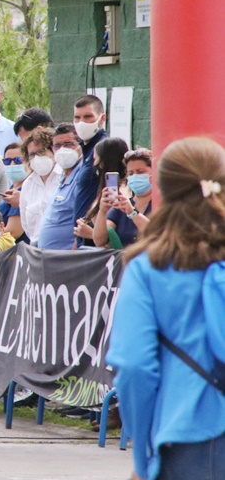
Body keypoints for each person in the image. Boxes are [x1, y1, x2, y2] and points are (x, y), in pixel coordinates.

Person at [107, 137, 225, 480]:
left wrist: (144, 456)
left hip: (187, 436)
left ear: (163, 189)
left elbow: (133, 366)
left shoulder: (148, 266)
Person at [37, 123, 85, 250]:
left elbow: (84, 222)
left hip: (67, 260)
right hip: (50, 259)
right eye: (57, 146)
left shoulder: (82, 177)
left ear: (81, 145)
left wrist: (72, 258)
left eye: (69, 144)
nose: (63, 149)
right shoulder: (64, 176)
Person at [93, 147, 153, 249]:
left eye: (140, 172)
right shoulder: (122, 206)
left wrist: (132, 213)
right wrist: (102, 211)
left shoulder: (162, 203)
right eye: (131, 173)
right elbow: (99, 240)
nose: (135, 177)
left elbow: (156, 234)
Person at [74, 137, 129, 247]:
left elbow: (120, 236)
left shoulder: (123, 193)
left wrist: (91, 234)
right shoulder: (104, 192)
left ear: (103, 162)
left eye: (96, 159)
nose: (94, 165)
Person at [19, 127, 62, 245]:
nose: (37, 157)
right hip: (37, 248)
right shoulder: (28, 184)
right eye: (32, 154)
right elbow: (26, 224)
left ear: (53, 151)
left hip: (62, 248)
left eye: (41, 152)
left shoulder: (64, 177)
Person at [71, 94, 108, 222]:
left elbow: (112, 190)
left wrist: (93, 228)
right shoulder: (86, 151)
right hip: (81, 236)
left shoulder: (104, 149)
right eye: (77, 117)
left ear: (102, 118)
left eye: (88, 117)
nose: (82, 122)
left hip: (94, 235)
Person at [0, 142, 28, 242]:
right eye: (7, 161)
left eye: (18, 160)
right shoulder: (12, 189)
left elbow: (13, 233)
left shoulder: (25, 191)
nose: (12, 164)